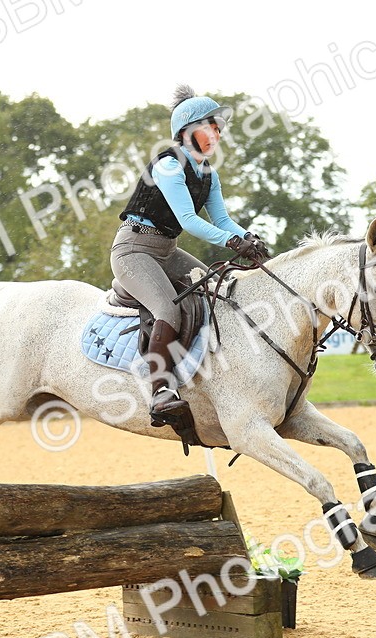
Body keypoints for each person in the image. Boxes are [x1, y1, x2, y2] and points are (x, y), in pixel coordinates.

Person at [111, 85, 269, 428]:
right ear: (186, 132)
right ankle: (160, 392)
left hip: (166, 251)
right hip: (133, 250)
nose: (216, 135)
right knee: (167, 308)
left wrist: (248, 238)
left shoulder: (208, 174)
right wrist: (232, 242)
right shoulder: (169, 165)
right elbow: (188, 220)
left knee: (219, 292)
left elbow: (223, 220)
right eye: (208, 128)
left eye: (218, 129)